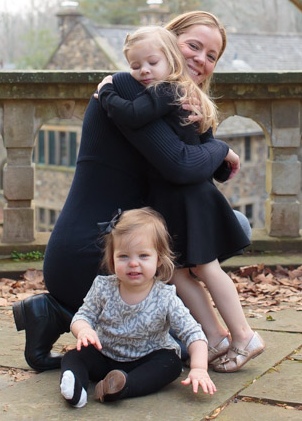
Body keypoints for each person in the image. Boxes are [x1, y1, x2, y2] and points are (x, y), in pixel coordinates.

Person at [13, 11, 250, 372]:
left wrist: (215, 148)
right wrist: (222, 149)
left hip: (129, 248)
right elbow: (183, 165)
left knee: (231, 224)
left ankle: (64, 313)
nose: (201, 59)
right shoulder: (127, 87)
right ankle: (64, 312)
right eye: (194, 46)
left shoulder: (170, 100)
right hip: (94, 254)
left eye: (212, 55)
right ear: (168, 43)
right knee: (172, 347)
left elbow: (204, 169)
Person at [97, 26, 265, 373]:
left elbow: (131, 115)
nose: (143, 71)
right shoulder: (182, 91)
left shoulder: (166, 89)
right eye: (135, 66)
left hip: (187, 197)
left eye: (151, 62)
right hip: (174, 198)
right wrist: (221, 157)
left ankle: (244, 335)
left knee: (205, 268)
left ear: (168, 57)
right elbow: (204, 146)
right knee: (177, 273)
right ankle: (216, 337)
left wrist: (107, 93)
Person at [59, 208, 216, 408]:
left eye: (143, 256)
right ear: (112, 259)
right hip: (105, 354)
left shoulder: (165, 296)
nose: (133, 263)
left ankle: (122, 387)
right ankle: (75, 387)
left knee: (171, 365)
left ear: (158, 259)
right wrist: (84, 330)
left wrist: (199, 367)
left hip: (148, 358)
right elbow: (83, 315)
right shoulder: (103, 287)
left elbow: (193, 334)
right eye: (124, 256)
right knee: (74, 356)